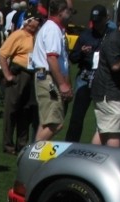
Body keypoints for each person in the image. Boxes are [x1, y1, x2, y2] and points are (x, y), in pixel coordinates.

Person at [90, 4, 120, 147]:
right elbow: (116, 65)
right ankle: (111, 165)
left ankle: (88, 160)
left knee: (103, 132)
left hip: (112, 93)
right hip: (108, 94)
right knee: (114, 136)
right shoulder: (114, 39)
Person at [30, 0, 73, 142]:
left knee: (47, 122)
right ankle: (32, 155)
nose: (71, 15)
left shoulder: (54, 28)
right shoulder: (53, 29)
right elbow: (52, 59)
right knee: (55, 123)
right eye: (69, 11)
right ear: (60, 12)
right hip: (48, 79)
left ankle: (36, 159)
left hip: (46, 77)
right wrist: (62, 84)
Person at [64, 3, 107, 141]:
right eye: (94, 21)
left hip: (103, 78)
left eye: (99, 21)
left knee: (103, 117)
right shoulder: (85, 35)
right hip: (85, 76)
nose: (96, 24)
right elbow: (73, 58)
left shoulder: (111, 35)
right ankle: (71, 143)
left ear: (106, 19)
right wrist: (82, 52)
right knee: (77, 115)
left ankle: (100, 144)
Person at [0, 11, 38, 153]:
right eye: (36, 20)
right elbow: (2, 54)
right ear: (28, 22)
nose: (38, 23)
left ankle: (22, 143)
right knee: (12, 110)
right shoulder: (18, 35)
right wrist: (7, 74)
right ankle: (8, 144)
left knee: (26, 110)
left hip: (32, 75)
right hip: (19, 73)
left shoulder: (36, 36)